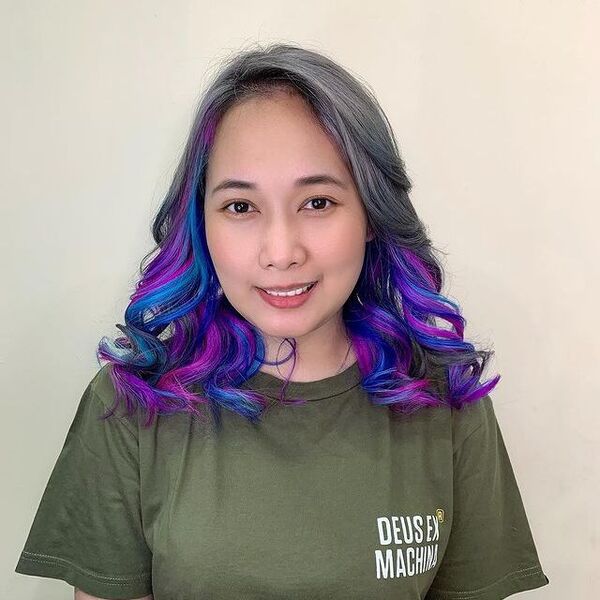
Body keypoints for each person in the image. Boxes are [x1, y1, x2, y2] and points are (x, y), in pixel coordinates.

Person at [15, 42, 549, 600]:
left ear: (371, 213)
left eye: (317, 202)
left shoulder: (447, 403)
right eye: (241, 207)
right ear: (203, 222)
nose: (281, 251)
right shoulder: (131, 407)